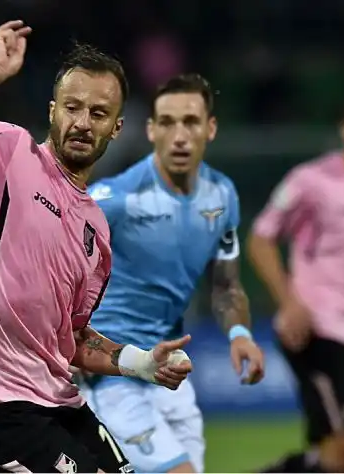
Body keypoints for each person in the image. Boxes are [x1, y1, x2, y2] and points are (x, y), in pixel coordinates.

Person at [0, 20, 193, 474]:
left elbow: (68, 340)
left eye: (98, 113)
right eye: (73, 107)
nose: (83, 122)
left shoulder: (97, 232)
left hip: (60, 404)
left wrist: (143, 364)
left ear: (116, 128)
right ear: (53, 110)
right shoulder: (6, 152)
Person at [82, 74, 265, 473]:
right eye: (167, 122)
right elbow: (54, 274)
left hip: (170, 373)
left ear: (210, 128)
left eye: (190, 121)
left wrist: (240, 334)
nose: (179, 135)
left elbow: (226, 285)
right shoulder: (115, 200)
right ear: (151, 130)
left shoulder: (222, 196)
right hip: (115, 372)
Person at [248, 91, 344, 473]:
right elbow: (261, 238)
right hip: (314, 328)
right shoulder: (311, 181)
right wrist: (290, 303)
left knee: (336, 458)